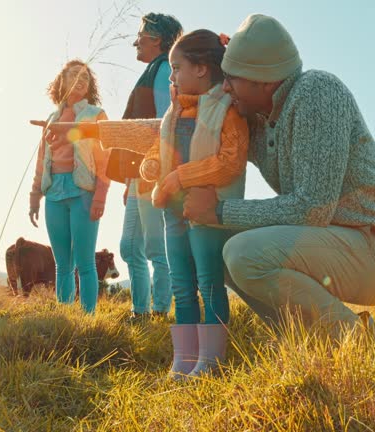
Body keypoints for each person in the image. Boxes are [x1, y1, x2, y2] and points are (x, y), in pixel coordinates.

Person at [62, 14, 375, 347]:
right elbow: (169, 131)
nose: (225, 88)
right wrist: (88, 130)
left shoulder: (316, 93)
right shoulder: (257, 116)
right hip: (332, 242)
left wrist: (219, 211)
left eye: (231, 78)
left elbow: (313, 208)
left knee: (241, 251)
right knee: (222, 248)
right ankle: (307, 342)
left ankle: (358, 342)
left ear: (262, 78)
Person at [33, 30, 250, 378]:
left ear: (202, 69)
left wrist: (180, 178)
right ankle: (185, 358)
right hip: (173, 210)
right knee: (182, 282)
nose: (171, 76)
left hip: (208, 212)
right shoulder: (174, 114)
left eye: (177, 68)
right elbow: (150, 143)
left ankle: (212, 360)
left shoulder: (226, 111)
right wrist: (152, 166)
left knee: (208, 281)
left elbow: (230, 161)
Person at [28, 60, 110, 313]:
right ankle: (65, 318)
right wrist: (35, 195)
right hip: (54, 192)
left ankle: (88, 319)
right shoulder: (51, 118)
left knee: (85, 263)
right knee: (62, 263)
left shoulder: (96, 115)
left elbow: (105, 158)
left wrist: (100, 196)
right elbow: (42, 159)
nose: (81, 79)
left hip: (83, 191)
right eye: (74, 75)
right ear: (61, 81)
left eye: (85, 77)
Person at [117, 13, 182, 321]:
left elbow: (160, 126)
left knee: (156, 247)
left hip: (152, 171)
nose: (135, 41)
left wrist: (149, 174)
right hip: (139, 174)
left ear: (156, 39)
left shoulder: (163, 70)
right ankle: (141, 311)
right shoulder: (155, 70)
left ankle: (157, 313)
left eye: (141, 34)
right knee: (130, 247)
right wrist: (131, 181)